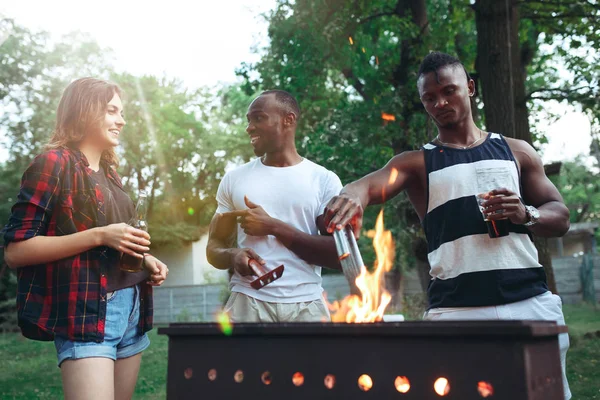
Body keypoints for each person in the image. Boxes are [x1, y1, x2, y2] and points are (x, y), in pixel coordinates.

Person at [323, 52, 571, 399]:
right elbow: (365, 186)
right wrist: (351, 194)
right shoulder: (415, 164)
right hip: (457, 311)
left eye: (449, 91)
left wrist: (526, 214)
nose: (440, 102)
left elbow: (560, 216)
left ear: (470, 88)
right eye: (429, 98)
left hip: (529, 301)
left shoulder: (517, 152)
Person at [2, 78, 169, 400]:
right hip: (87, 312)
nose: (121, 120)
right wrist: (100, 235)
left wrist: (146, 259)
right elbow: (16, 250)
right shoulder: (52, 164)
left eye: (122, 112)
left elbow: (111, 243)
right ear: (84, 110)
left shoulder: (109, 174)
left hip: (132, 307)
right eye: (112, 110)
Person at [207, 90, 342, 323]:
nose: (249, 127)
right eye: (249, 120)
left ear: (288, 120)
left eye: (258, 118)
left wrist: (274, 227)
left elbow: (338, 254)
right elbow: (213, 246)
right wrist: (233, 255)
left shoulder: (324, 180)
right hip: (247, 302)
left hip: (307, 306)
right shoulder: (234, 179)